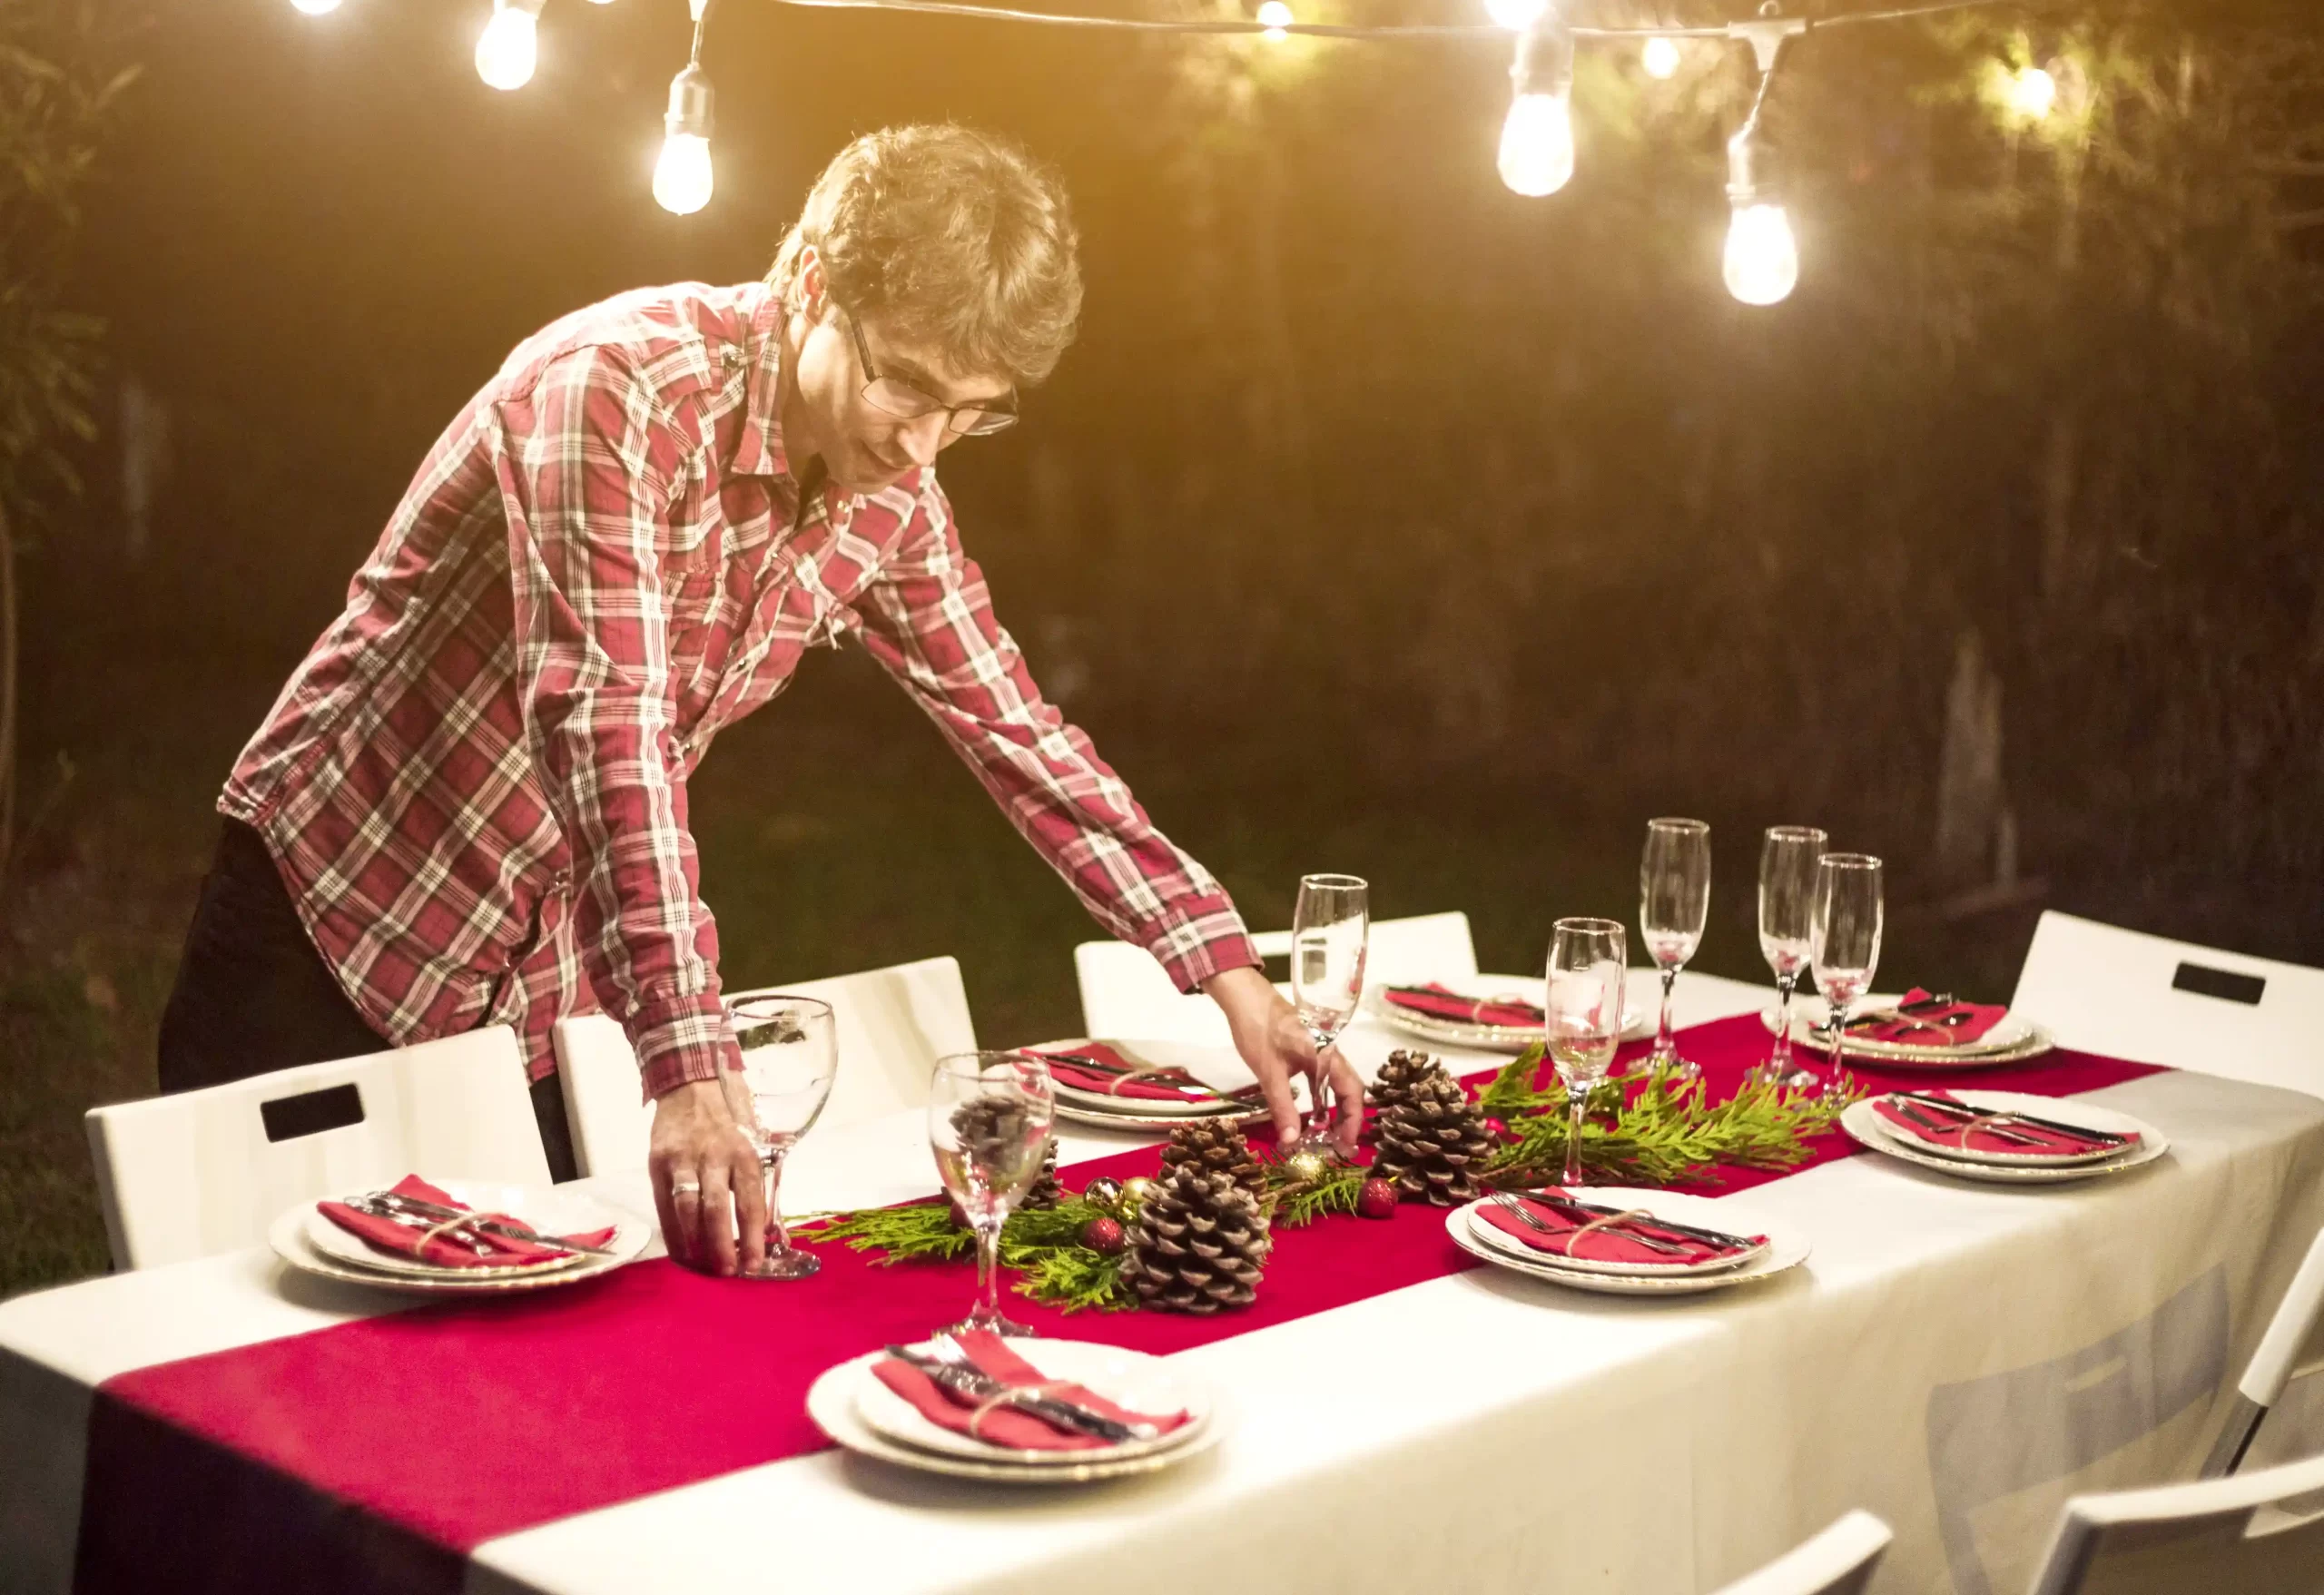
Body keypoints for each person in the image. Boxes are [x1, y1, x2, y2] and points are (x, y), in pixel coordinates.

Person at [159, 123, 1364, 1275]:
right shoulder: (615, 392)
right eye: (909, 384)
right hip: (339, 919)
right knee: (233, 1360)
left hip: (543, 983)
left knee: (506, 1377)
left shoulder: (892, 492)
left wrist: (1227, 970)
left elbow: (1016, 727)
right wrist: (688, 1063)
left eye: (974, 411)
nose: (928, 443)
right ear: (810, 280)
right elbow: (605, 726)